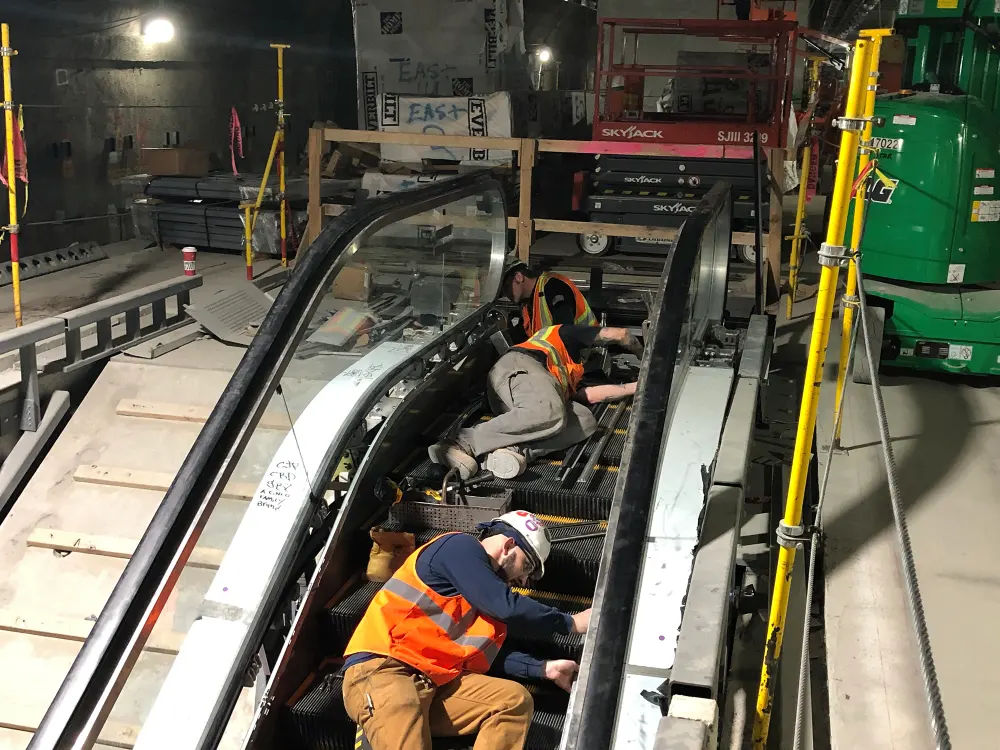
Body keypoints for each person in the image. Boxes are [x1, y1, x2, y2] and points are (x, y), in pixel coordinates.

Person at [341, 510, 591, 750]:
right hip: (385, 671)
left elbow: (487, 656)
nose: (524, 581)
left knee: (513, 700)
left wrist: (543, 668)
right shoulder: (458, 547)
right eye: (527, 567)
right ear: (508, 546)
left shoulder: (481, 601)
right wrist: (570, 623)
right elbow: (506, 606)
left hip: (434, 684)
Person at [429, 323, 642, 480]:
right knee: (550, 411)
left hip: (534, 398)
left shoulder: (571, 369)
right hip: (518, 370)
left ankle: (514, 450)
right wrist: (643, 353)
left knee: (585, 420)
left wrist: (637, 386)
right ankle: (460, 443)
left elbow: (590, 395)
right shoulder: (563, 334)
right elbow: (620, 334)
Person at [501, 259, 597, 341]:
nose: (506, 293)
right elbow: (524, 334)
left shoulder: (553, 287)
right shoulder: (526, 303)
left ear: (519, 277)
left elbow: (564, 331)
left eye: (506, 287)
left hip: (584, 352)